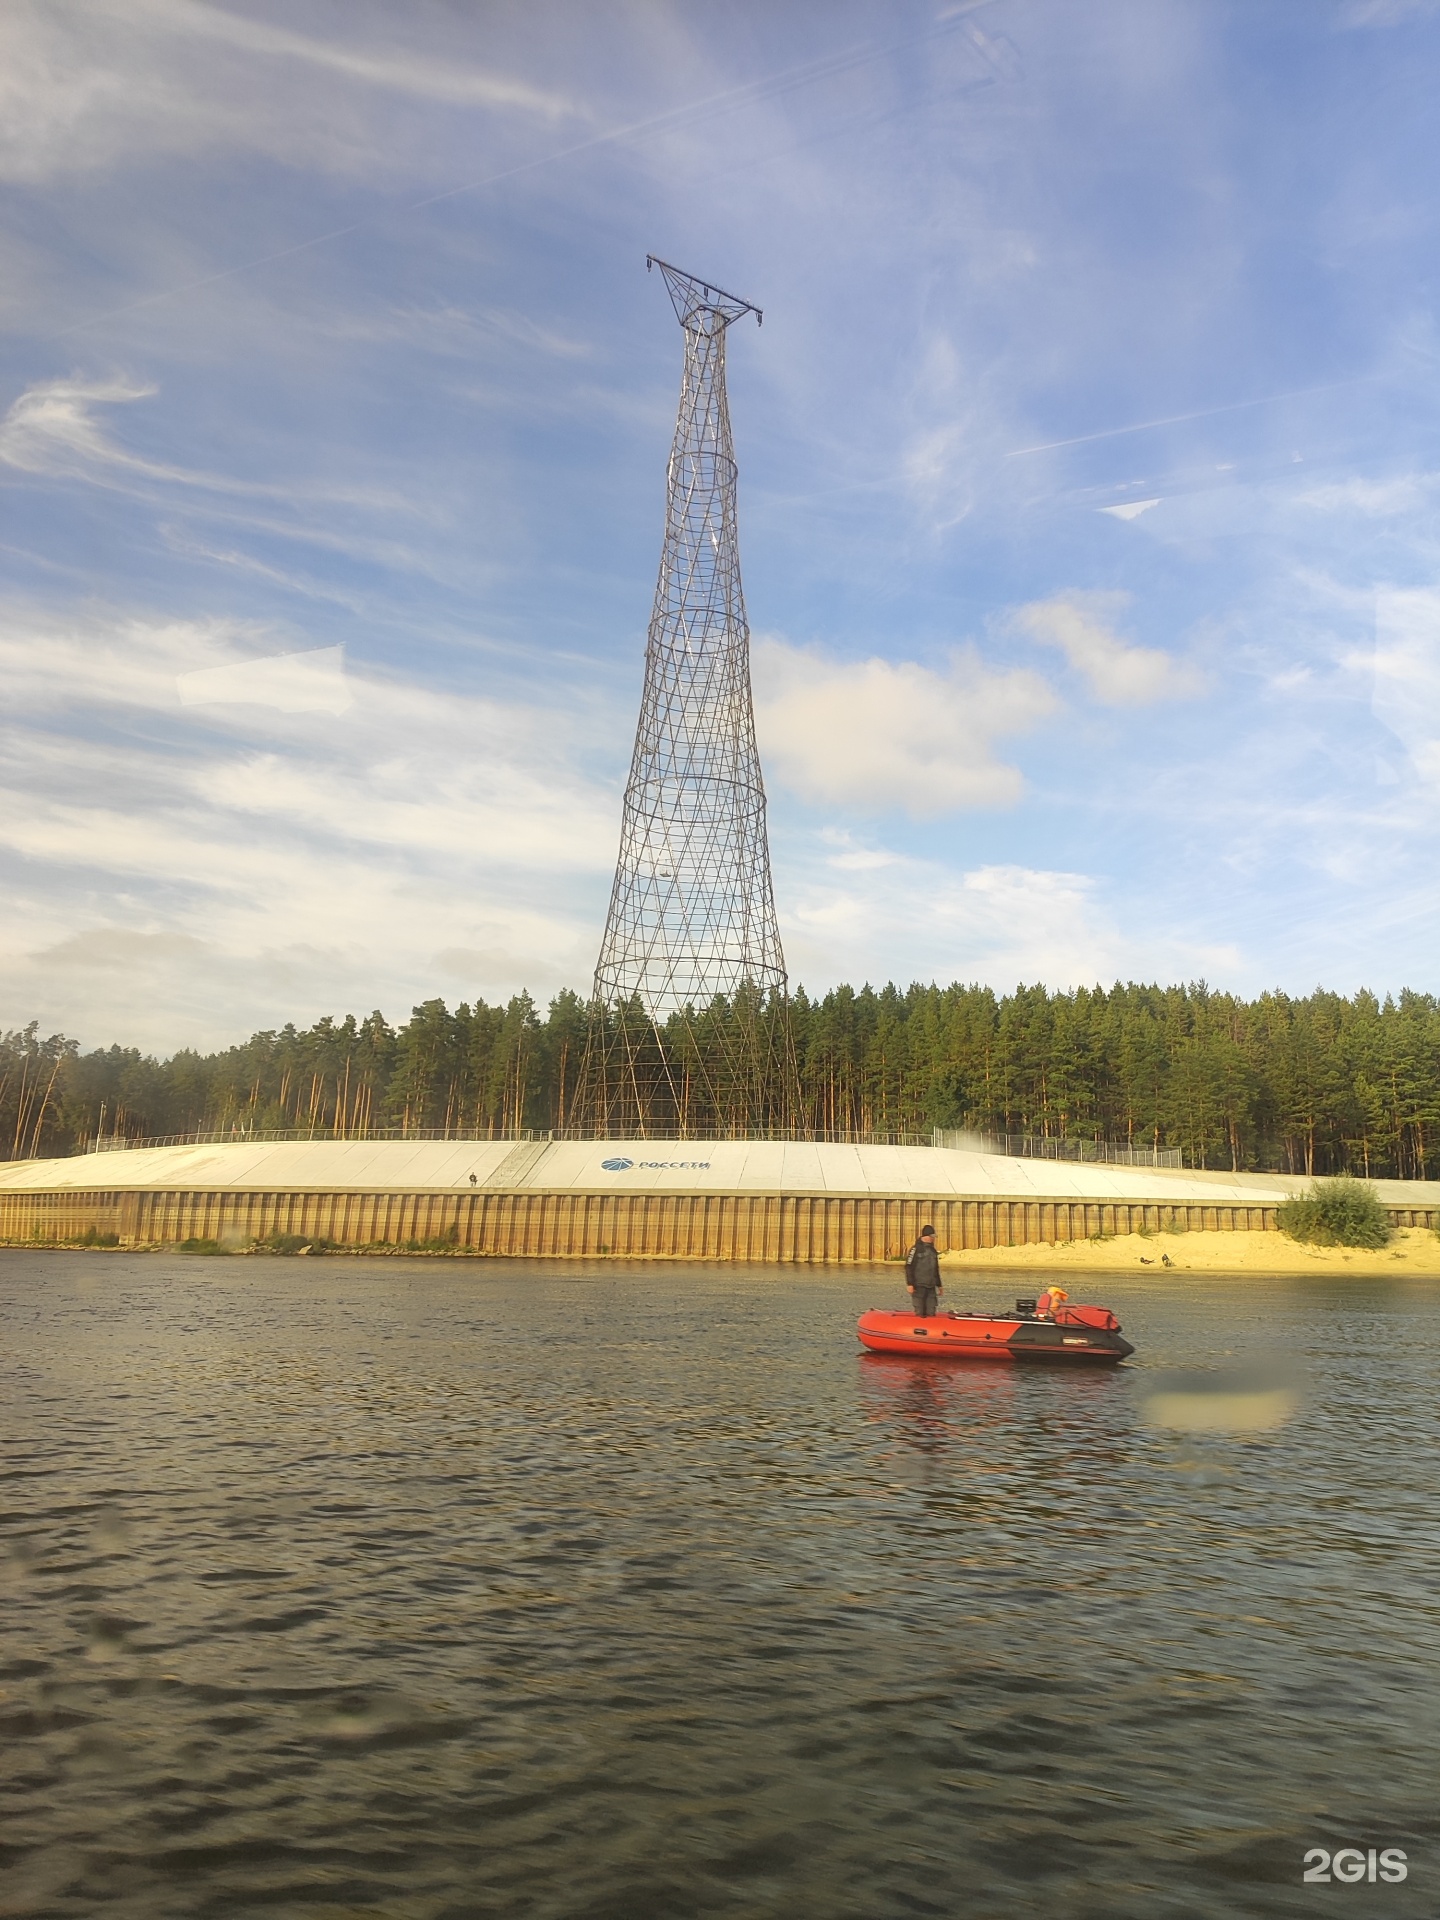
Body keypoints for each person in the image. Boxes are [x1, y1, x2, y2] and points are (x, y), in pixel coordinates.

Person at [905, 1225, 944, 1317]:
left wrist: (939, 1285)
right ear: (926, 1236)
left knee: (931, 1311)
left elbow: (936, 1269)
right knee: (919, 1311)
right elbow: (908, 1266)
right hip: (918, 1286)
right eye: (932, 1236)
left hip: (931, 1287)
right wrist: (910, 1284)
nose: (933, 1239)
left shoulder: (933, 1250)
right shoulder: (915, 1249)